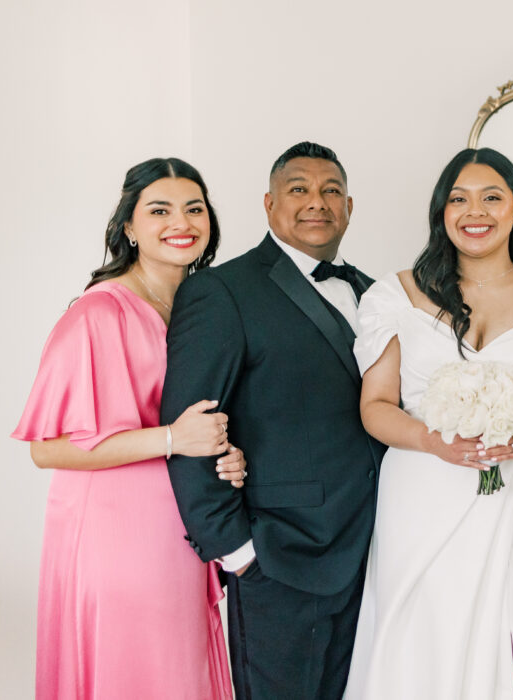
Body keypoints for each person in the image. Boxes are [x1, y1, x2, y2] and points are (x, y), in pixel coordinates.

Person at [343, 148, 513, 700]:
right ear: (441, 211)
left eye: (492, 197)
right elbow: (374, 407)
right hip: (422, 488)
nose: (476, 211)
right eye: (459, 198)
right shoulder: (395, 296)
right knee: (425, 634)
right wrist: (431, 440)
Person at [12, 157, 246, 699]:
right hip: (116, 536)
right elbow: (45, 450)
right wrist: (171, 440)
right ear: (129, 227)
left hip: (185, 525)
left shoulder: (200, 306)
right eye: (159, 210)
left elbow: (203, 418)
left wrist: (225, 453)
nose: (180, 222)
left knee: (178, 672)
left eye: (194, 208)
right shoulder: (98, 314)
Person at [161, 142, 385, 699]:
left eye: (331, 190)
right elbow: (192, 424)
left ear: (350, 207)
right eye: (299, 189)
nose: (317, 202)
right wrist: (237, 551)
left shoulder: (374, 291)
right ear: (268, 204)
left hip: (375, 552)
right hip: (281, 557)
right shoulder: (221, 291)